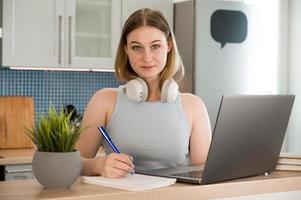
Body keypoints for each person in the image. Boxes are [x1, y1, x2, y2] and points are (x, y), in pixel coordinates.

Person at [76, 8, 212, 178]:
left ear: (168, 46)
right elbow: (74, 163)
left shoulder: (194, 106)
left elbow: (202, 176)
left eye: (155, 46)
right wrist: (98, 165)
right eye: (136, 47)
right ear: (126, 49)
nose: (147, 57)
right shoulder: (103, 101)